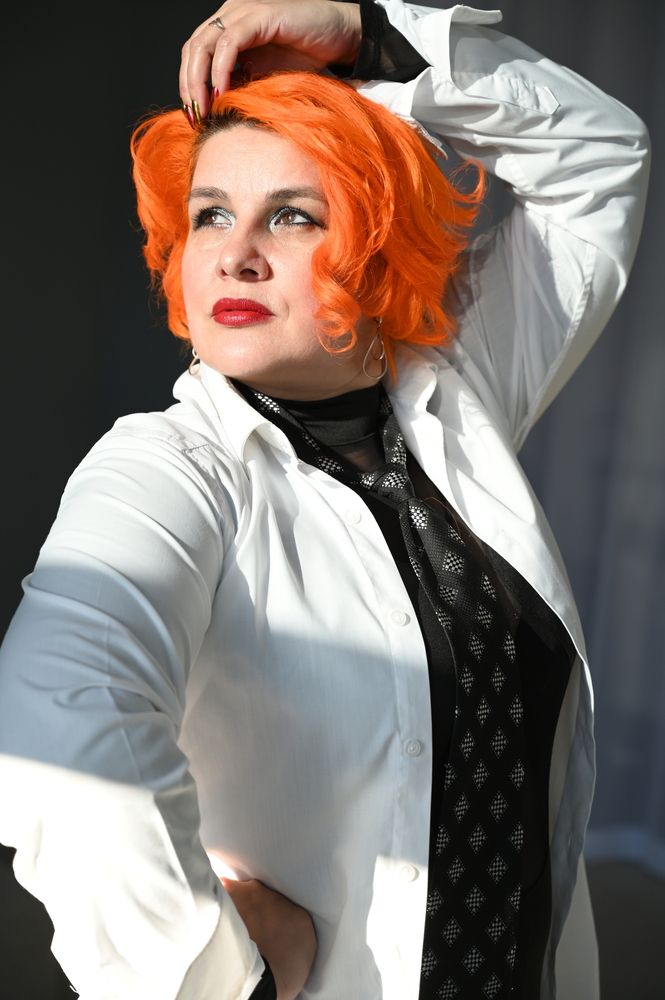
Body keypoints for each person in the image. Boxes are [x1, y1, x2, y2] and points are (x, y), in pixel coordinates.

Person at [0, 1, 650, 998]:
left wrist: (368, 34)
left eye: (292, 215)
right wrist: (218, 975)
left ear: (378, 248)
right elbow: (55, 714)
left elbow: (597, 155)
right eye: (210, 213)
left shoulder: (456, 394)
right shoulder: (166, 466)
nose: (236, 252)